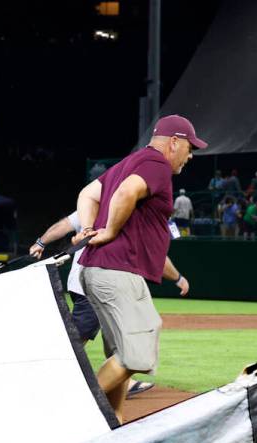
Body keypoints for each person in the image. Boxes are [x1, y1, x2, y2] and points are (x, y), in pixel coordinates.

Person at [76, 114, 203, 423]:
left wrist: (92, 227)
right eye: (190, 148)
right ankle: (74, 416)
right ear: (174, 142)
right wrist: (108, 231)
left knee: (120, 352)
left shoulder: (127, 163)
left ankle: (114, 423)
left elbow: (87, 194)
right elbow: (126, 193)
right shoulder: (157, 163)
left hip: (101, 270)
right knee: (137, 354)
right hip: (118, 271)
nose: (190, 155)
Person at [29, 210, 190, 399]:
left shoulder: (94, 204)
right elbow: (157, 257)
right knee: (76, 340)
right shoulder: (129, 212)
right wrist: (178, 278)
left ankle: (121, 382)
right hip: (99, 285)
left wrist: (40, 242)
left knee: (113, 335)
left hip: (83, 282)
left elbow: (63, 225)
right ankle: (47, 381)